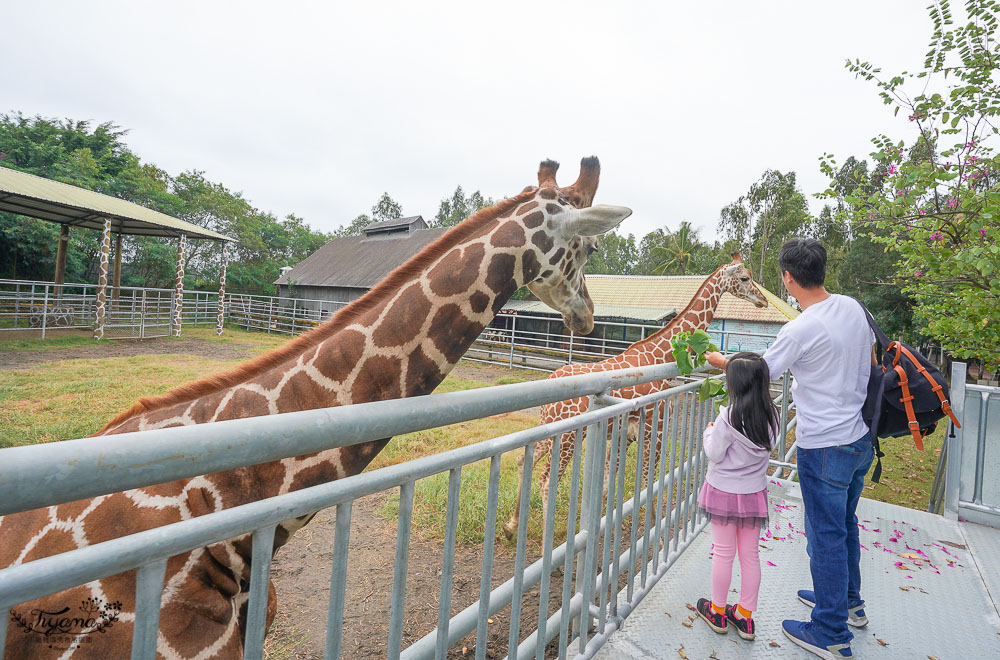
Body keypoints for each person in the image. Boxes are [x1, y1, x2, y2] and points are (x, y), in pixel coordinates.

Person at [706, 237, 874, 660]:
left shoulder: (800, 328)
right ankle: (847, 602)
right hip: (860, 437)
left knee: (827, 535)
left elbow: (760, 371)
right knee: (844, 524)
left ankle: (831, 630)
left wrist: (718, 360)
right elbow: (869, 360)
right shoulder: (853, 307)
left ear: (788, 277)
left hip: (825, 446)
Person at [694, 352, 777, 642]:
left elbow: (714, 452)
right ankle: (744, 615)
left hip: (724, 494)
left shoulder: (727, 417)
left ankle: (717, 610)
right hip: (753, 494)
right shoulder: (772, 415)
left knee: (723, 552)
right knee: (750, 555)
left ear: (735, 385)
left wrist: (709, 433)